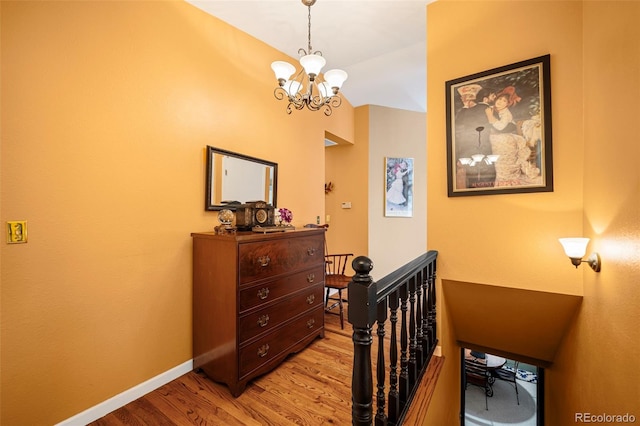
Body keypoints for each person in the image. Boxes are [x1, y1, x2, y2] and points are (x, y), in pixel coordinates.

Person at [485, 86, 541, 186]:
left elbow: (500, 127)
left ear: (508, 104)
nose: (500, 102)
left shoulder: (506, 113)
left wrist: (490, 116)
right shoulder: (494, 109)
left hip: (505, 141)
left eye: (504, 101)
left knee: (504, 167)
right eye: (499, 99)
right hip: (496, 140)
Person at [454, 86, 498, 189]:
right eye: (463, 97)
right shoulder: (461, 112)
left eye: (467, 96)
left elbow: (490, 123)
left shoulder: (483, 107)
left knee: (486, 169)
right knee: (470, 172)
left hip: (483, 143)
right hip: (466, 146)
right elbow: (457, 127)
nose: (464, 99)